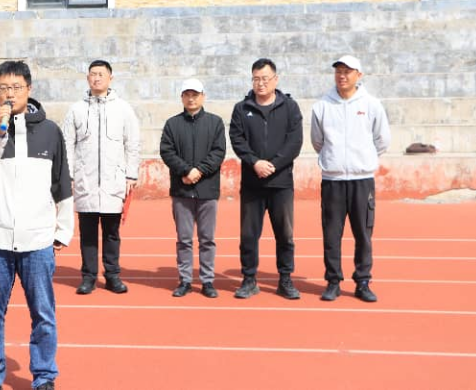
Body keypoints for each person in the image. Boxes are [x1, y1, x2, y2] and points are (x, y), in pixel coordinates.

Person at [0, 60, 73, 390]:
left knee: (43, 314)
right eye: (3, 88)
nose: (10, 93)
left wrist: (63, 230)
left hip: (37, 241)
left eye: (16, 87)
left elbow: (62, 183)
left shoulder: (50, 131)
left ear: (29, 89)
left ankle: (44, 376)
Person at [311, 55, 390, 302]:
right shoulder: (322, 106)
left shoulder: (372, 105)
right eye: (338, 71)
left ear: (359, 75)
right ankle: (333, 281)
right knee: (331, 234)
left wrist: (363, 160)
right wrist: (334, 160)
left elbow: (382, 140)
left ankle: (363, 281)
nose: (342, 76)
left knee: (363, 234)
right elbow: (317, 141)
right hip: (332, 181)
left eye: (347, 71)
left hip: (362, 180)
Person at [62, 60, 141, 295]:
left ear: (110, 78)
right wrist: (68, 175)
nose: (96, 78)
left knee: (111, 233)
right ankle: (88, 277)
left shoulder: (123, 109)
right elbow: (67, 144)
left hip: (113, 181)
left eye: (101, 74)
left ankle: (113, 275)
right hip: (85, 180)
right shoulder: (76, 109)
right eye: (93, 74)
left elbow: (132, 144)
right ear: (87, 78)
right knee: (87, 234)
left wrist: (131, 174)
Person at [229, 59, 303, 300]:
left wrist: (274, 165)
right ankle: (249, 279)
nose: (260, 83)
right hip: (253, 183)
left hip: (281, 183)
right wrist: (255, 163)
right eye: (256, 79)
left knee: (285, 234)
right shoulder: (242, 108)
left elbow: (294, 142)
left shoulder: (290, 107)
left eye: (265, 78)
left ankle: (285, 279)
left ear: (275, 80)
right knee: (249, 235)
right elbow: (237, 139)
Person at [159, 78, 226, 299]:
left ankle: (207, 281)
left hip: (207, 190)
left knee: (207, 239)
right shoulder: (172, 124)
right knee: (184, 239)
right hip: (182, 190)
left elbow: (218, 152)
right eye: (187, 94)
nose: (191, 98)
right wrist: (186, 171)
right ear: (182, 97)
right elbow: (167, 151)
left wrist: (200, 171)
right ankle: (185, 280)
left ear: (203, 96)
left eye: (195, 94)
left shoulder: (215, 123)